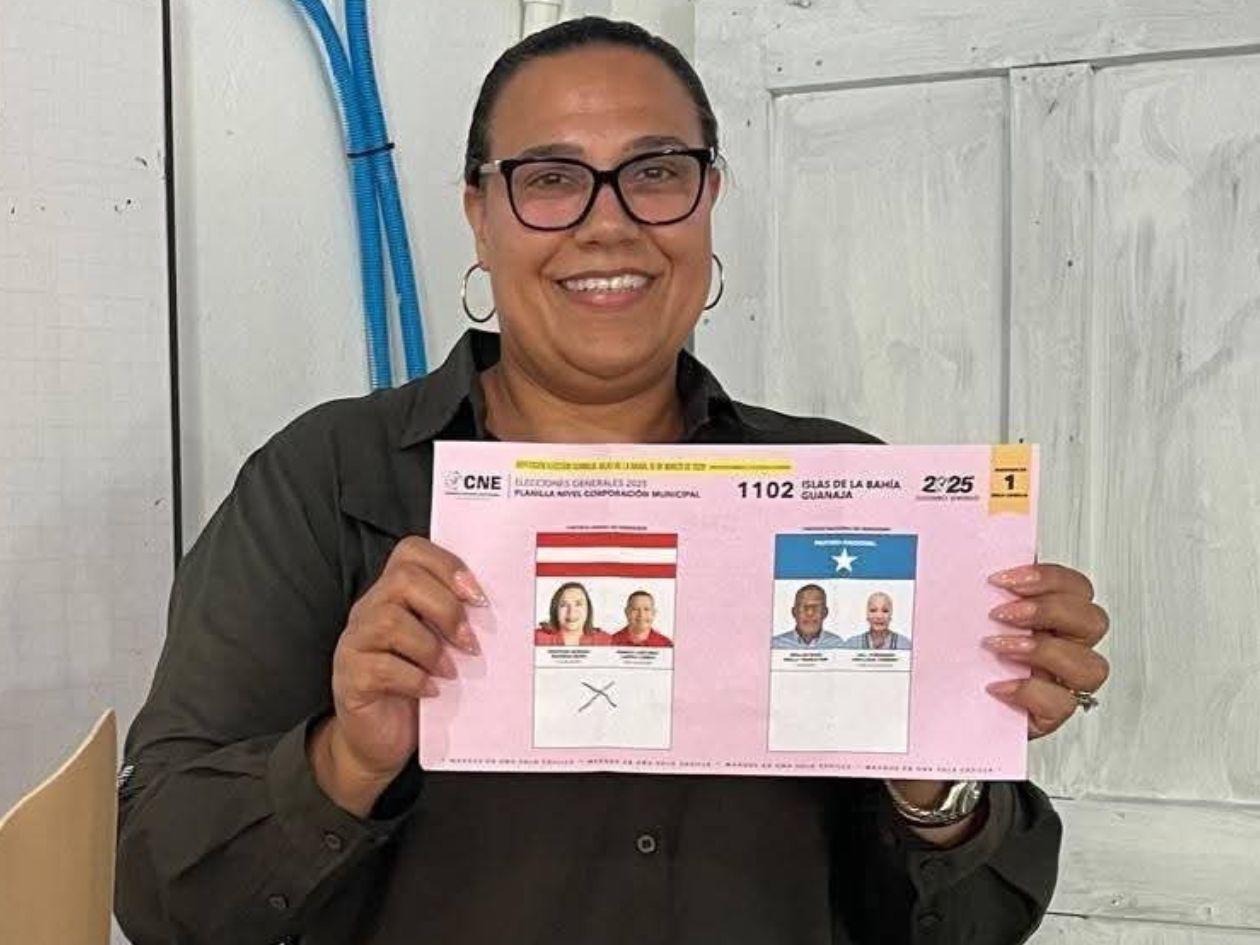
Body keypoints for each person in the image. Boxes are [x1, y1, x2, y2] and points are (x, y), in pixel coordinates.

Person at [116, 17, 1112, 945]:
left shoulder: (851, 496)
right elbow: (159, 890)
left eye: (656, 172)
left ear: (708, 200)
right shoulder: (326, 481)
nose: (609, 224)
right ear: (480, 215)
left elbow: (978, 921)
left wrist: (937, 775)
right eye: (551, 178)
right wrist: (347, 759)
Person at [534, 581, 611, 645]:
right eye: (564, 605)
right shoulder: (537, 638)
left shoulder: (605, 640)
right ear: (555, 609)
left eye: (578, 604)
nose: (571, 612)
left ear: (588, 609)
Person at [771, 584, 845, 649]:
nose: (810, 613)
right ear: (794, 612)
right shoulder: (776, 644)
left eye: (816, 607)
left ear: (825, 613)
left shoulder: (838, 644)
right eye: (804, 607)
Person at [843, 591, 912, 650]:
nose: (879, 616)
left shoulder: (905, 644)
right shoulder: (852, 644)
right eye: (873, 610)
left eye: (885, 611)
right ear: (867, 615)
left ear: (891, 615)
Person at [608, 590, 673, 647]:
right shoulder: (611, 643)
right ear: (626, 612)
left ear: (654, 613)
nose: (641, 615)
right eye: (635, 609)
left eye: (646, 609)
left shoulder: (666, 644)